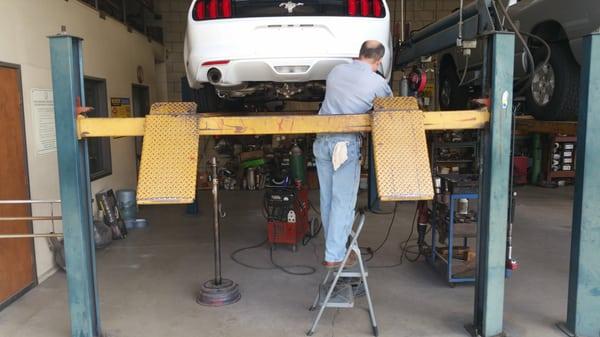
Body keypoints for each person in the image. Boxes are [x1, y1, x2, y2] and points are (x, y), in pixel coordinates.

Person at [314, 40, 392, 269]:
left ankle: (333, 249)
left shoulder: (336, 71)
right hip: (344, 145)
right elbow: (388, 110)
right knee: (343, 201)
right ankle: (335, 255)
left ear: (359, 55)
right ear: (378, 61)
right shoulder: (378, 82)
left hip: (321, 142)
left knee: (327, 199)